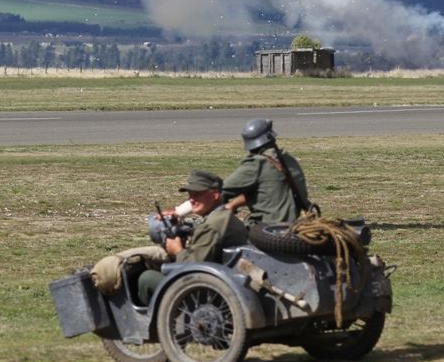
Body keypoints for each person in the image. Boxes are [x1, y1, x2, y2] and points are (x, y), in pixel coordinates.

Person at [91, 170, 248, 303]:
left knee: (146, 278)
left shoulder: (212, 225)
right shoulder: (223, 217)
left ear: (214, 195)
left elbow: (193, 267)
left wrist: (177, 250)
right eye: (190, 195)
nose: (192, 200)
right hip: (222, 283)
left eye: (198, 194)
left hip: (206, 291)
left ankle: (160, 326)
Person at [222, 118, 313, 226]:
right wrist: (233, 204)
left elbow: (222, 189)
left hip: (269, 230)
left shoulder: (256, 164)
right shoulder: (287, 159)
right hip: (295, 225)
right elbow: (267, 192)